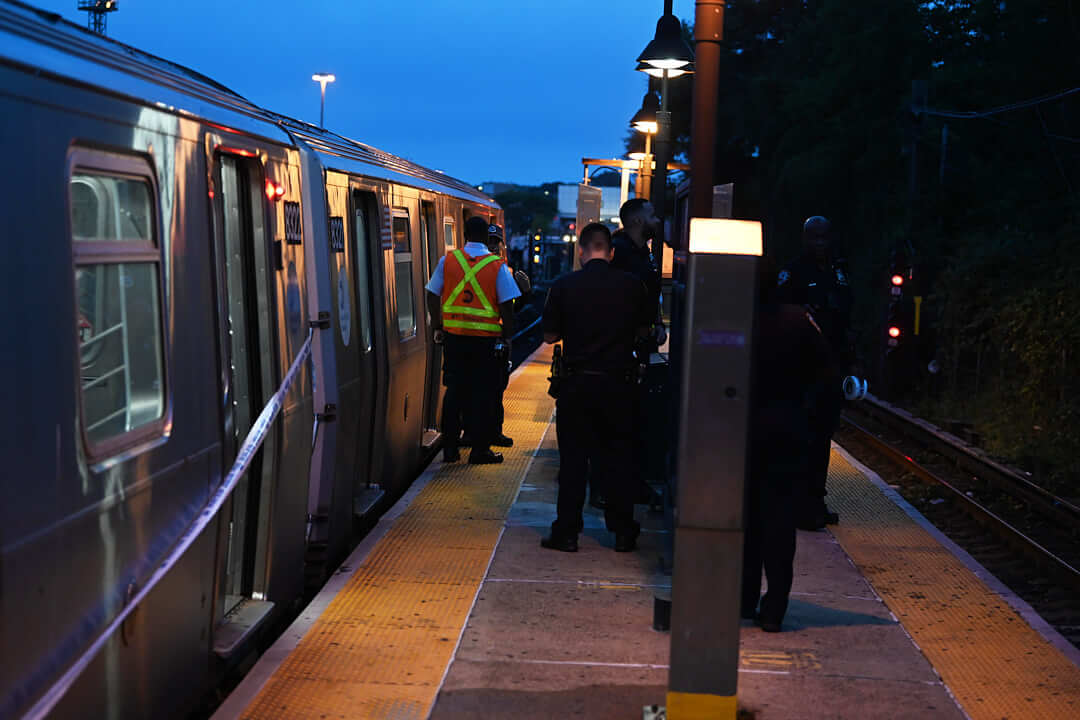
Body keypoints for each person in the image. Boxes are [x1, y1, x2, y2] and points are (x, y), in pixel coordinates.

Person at [539, 222, 651, 553]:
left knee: (573, 461)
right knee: (619, 458)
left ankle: (567, 532)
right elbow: (645, 331)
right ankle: (623, 532)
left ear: (582, 251)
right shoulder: (633, 286)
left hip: (577, 385)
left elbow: (548, 337)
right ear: (612, 252)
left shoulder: (563, 285)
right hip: (619, 385)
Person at [742, 259, 835, 632]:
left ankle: (743, 598)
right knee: (779, 522)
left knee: (745, 518)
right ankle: (775, 606)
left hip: (742, 431)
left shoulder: (734, 322)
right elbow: (828, 374)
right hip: (788, 429)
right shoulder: (799, 321)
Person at [774, 216, 854, 529]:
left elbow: (848, 313)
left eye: (824, 237)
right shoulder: (794, 272)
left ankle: (815, 499)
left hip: (831, 363)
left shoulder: (839, 271)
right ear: (804, 238)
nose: (819, 243)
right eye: (813, 237)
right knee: (801, 435)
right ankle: (798, 503)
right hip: (802, 367)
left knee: (823, 435)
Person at [425, 216, 521, 464]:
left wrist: (438, 324)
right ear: (487, 238)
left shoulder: (449, 261)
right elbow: (507, 305)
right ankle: (479, 451)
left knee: (454, 392)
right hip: (485, 342)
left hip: (454, 339)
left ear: (465, 234)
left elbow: (432, 293)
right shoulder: (497, 266)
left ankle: (449, 449)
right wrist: (507, 335)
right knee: (483, 395)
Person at [610, 198, 667, 510]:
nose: (657, 220)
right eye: (652, 215)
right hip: (621, 348)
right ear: (635, 221)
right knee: (622, 418)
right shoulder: (618, 252)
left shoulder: (644, 251)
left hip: (640, 346)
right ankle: (616, 487)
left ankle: (632, 481)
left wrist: (656, 321)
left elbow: (649, 293)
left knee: (636, 416)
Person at [459, 224, 531, 448]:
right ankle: (475, 434)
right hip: (481, 337)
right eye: (489, 241)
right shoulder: (486, 268)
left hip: (491, 338)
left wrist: (524, 295)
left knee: (495, 389)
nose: (493, 246)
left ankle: (491, 432)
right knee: (480, 389)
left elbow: (511, 307)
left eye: (496, 242)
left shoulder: (502, 269)